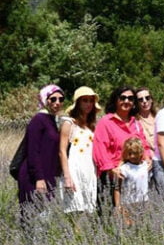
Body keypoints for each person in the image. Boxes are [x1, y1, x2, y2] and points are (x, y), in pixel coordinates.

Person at [93, 86, 152, 209]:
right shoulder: (106, 122)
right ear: (116, 100)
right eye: (123, 98)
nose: (127, 101)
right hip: (114, 178)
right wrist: (110, 169)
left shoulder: (135, 122)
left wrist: (147, 158)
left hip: (135, 176)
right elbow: (100, 149)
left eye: (130, 98)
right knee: (113, 215)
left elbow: (144, 144)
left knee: (137, 215)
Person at [17, 85, 65, 216]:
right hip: (34, 178)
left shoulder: (52, 120)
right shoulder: (38, 120)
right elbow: (33, 151)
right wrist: (39, 178)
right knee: (31, 218)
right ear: (45, 100)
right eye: (53, 99)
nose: (57, 103)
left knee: (44, 219)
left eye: (61, 99)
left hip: (48, 176)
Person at [58, 86, 99, 214]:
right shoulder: (69, 123)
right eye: (84, 100)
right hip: (74, 170)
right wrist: (67, 176)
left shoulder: (92, 126)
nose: (88, 104)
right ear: (78, 103)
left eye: (91, 101)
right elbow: (62, 151)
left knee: (88, 211)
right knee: (75, 210)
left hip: (89, 170)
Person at [114, 137, 149, 224]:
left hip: (144, 201)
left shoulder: (145, 166)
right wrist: (118, 206)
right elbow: (117, 188)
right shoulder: (124, 169)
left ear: (140, 153)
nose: (132, 156)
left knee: (143, 225)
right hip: (128, 203)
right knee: (129, 225)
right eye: (129, 153)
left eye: (135, 153)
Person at [135, 87, 157, 154]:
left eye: (147, 98)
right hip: (148, 159)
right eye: (140, 99)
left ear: (151, 100)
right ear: (137, 103)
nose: (144, 101)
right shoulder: (135, 121)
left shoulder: (159, 117)